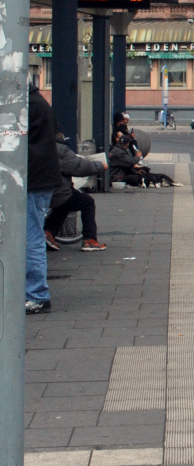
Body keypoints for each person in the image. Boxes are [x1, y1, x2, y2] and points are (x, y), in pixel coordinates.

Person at [26, 84, 59, 314]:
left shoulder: (27, 105)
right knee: (32, 235)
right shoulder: (38, 102)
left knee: (30, 237)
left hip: (32, 180)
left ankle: (37, 294)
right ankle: (34, 293)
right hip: (40, 178)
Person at [45, 134, 108, 253]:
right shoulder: (59, 149)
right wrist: (100, 165)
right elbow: (79, 167)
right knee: (86, 202)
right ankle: (89, 240)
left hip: (39, 188)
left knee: (65, 204)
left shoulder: (34, 143)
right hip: (56, 190)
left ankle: (49, 232)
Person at [109, 130, 177, 187]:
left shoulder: (119, 149)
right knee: (140, 177)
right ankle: (157, 181)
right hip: (117, 178)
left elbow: (125, 165)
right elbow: (131, 161)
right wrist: (138, 156)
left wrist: (135, 171)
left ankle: (162, 179)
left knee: (144, 172)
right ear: (127, 143)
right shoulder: (119, 152)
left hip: (119, 175)